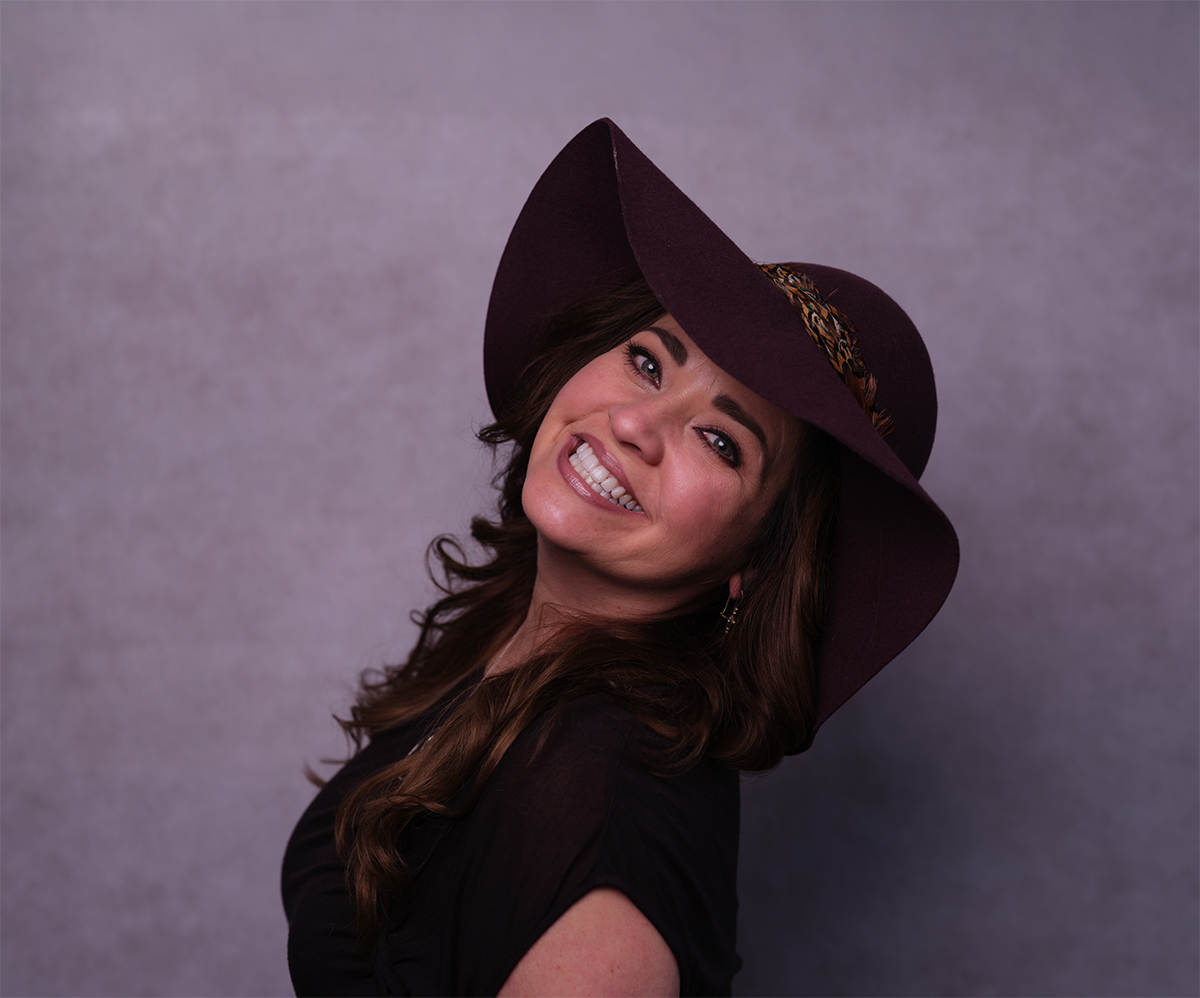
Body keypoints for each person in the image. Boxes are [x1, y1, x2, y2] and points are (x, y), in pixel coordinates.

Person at [281, 119, 959, 997]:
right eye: (647, 361)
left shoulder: (606, 809)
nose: (636, 424)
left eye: (720, 441)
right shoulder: (517, 649)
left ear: (760, 560)